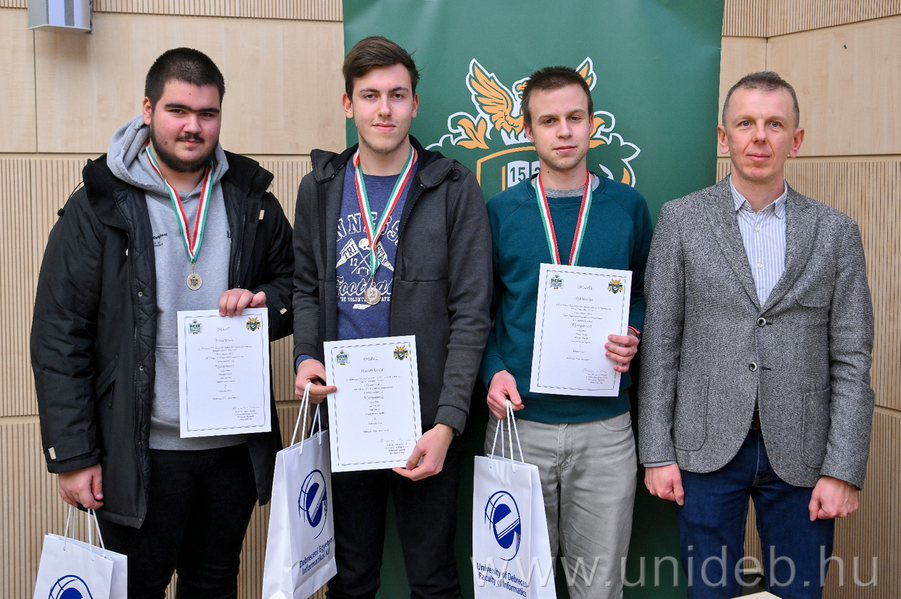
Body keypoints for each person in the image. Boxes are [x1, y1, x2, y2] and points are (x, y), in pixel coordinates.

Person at [31, 47, 294, 598]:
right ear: (148, 110)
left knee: (214, 583)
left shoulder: (251, 198)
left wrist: (264, 302)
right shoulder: (99, 204)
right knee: (136, 588)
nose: (193, 127)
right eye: (178, 111)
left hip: (231, 449)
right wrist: (74, 456)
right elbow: (59, 333)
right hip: (139, 451)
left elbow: (295, 285)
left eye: (207, 113)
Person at [639, 71, 874, 598]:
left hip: (804, 455)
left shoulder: (836, 232)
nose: (759, 137)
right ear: (724, 137)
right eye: (745, 124)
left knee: (798, 592)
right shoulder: (681, 220)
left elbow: (852, 358)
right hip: (703, 449)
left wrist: (843, 469)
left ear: (797, 139)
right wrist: (657, 451)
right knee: (710, 592)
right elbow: (661, 346)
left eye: (774, 124)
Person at [292, 36, 492, 598]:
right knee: (351, 578)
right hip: (345, 412)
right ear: (348, 104)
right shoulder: (320, 188)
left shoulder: (453, 187)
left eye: (397, 95)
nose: (385, 109)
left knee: (432, 578)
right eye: (370, 95)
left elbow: (471, 313)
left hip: (425, 421)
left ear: (415, 104)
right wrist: (305, 356)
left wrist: (448, 424)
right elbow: (305, 288)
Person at [479, 65, 653, 599]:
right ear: (528, 130)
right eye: (549, 120)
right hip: (518, 426)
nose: (564, 131)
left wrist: (633, 330)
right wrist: (492, 371)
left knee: (598, 589)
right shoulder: (500, 212)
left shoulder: (627, 207)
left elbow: (646, 291)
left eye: (575, 118)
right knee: (514, 589)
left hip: (605, 431)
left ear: (592, 124)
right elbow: (477, 310)